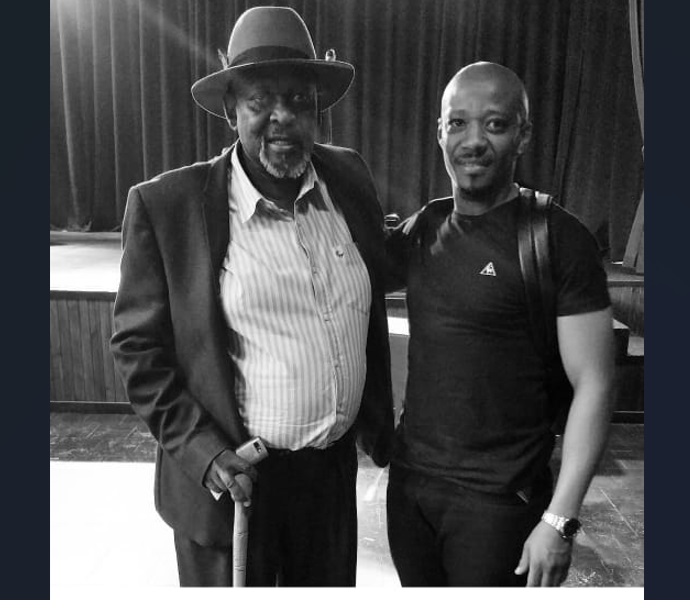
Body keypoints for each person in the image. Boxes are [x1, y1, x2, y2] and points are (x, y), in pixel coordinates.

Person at [110, 6, 393, 587]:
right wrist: (204, 452)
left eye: (299, 99)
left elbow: (382, 265)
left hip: (329, 483)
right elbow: (138, 350)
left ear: (317, 108)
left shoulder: (347, 177)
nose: (282, 117)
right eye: (261, 99)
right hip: (234, 483)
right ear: (230, 109)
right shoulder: (168, 207)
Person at [384, 61, 615, 587]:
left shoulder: (558, 238)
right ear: (440, 133)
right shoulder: (424, 228)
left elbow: (596, 384)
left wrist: (559, 520)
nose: (473, 141)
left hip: (499, 505)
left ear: (523, 135)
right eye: (458, 123)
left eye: (495, 124)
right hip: (412, 491)